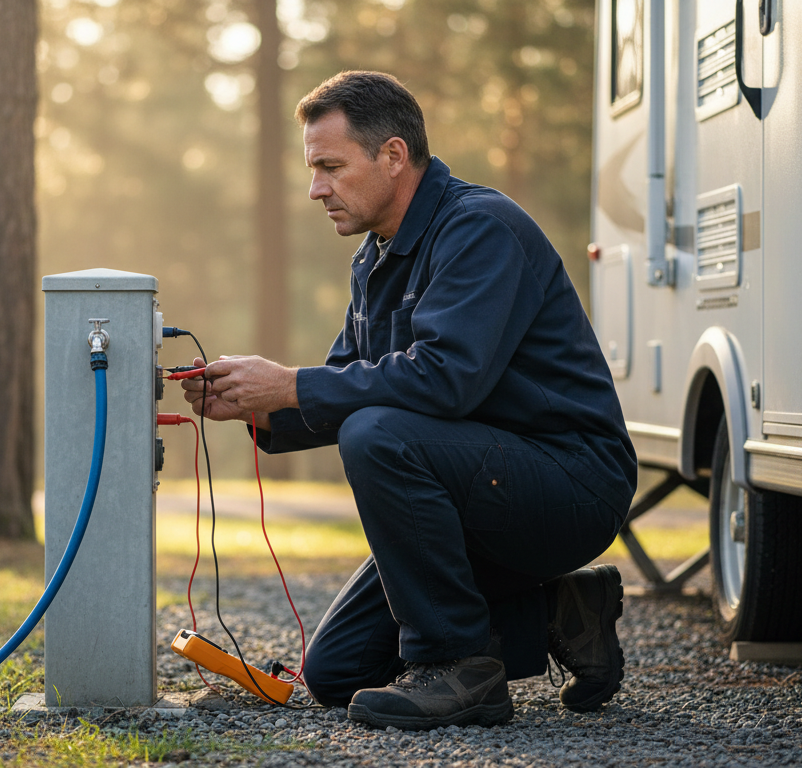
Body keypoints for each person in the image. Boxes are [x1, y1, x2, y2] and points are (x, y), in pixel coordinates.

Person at [181, 71, 637, 731]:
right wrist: (255, 404)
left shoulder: (480, 229)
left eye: (331, 167)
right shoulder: (377, 257)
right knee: (335, 671)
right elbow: (345, 379)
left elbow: (445, 379)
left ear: (393, 156)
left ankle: (461, 667)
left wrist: (291, 383)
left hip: (571, 483)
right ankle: (563, 615)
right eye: (313, 170)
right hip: (478, 484)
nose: (316, 188)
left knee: (376, 433)